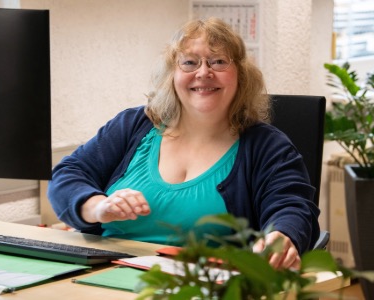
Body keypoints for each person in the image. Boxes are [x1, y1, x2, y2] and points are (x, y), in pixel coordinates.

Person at [48, 17, 320, 269]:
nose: (203, 73)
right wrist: (97, 207)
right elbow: (67, 175)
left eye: (218, 62)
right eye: (189, 62)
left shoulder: (267, 146)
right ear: (172, 75)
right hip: (104, 277)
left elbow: (293, 206)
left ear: (241, 75)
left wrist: (281, 236)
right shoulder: (132, 125)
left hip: (207, 282)